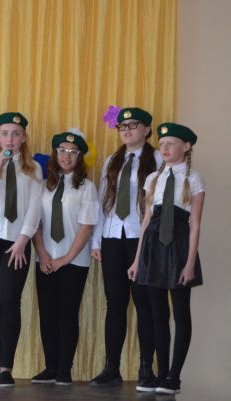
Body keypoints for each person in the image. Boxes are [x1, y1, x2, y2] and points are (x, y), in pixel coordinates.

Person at [128, 123, 205, 395]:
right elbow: (146, 221)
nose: (165, 148)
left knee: (181, 313)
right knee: (158, 314)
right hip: (152, 247)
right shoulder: (153, 178)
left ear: (186, 146)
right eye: (162, 144)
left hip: (179, 248)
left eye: (171, 143)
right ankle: (160, 374)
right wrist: (137, 260)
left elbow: (195, 224)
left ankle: (174, 376)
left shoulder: (193, 179)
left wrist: (189, 262)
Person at [90, 107, 161, 390]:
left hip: (140, 237)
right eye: (123, 126)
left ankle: (146, 367)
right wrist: (97, 240)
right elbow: (102, 201)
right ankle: (112, 367)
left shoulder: (157, 158)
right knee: (115, 303)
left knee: (144, 303)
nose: (127, 130)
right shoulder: (113, 159)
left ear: (147, 129)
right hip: (112, 237)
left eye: (133, 125)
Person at [0, 112, 43, 387]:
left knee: (9, 298)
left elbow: (35, 208)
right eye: (5, 134)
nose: (10, 139)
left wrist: (23, 240)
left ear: (23, 137)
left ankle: (7, 366)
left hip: (18, 241)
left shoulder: (33, 168)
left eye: (16, 134)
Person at [31, 131, 99, 386]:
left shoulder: (86, 187)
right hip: (46, 260)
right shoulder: (43, 185)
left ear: (80, 157)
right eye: (62, 150)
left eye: (72, 152)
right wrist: (42, 254)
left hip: (74, 262)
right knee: (47, 314)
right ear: (55, 153)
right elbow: (35, 223)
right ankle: (50, 367)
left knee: (67, 314)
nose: (66, 156)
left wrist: (66, 258)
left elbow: (86, 226)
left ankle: (64, 369)